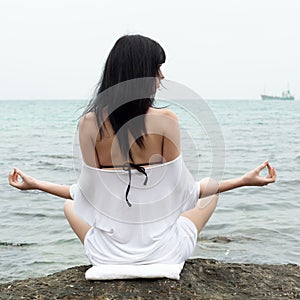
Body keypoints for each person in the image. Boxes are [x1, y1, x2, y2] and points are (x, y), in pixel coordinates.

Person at [8, 35, 276, 266]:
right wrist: (243, 181)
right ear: (141, 72)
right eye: (157, 67)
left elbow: (87, 194)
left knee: (70, 205)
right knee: (209, 192)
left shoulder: (88, 124)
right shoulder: (166, 120)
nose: (162, 75)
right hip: (165, 255)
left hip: (107, 256)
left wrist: (35, 184)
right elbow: (183, 192)